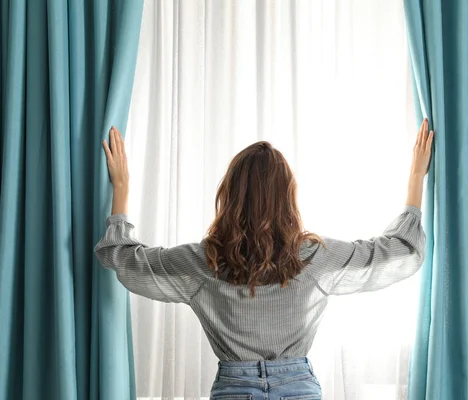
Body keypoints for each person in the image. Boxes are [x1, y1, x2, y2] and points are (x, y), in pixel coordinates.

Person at [95, 118, 434, 400]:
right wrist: (417, 177)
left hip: (234, 388)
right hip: (298, 388)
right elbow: (401, 251)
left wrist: (121, 187)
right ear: (288, 197)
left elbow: (123, 259)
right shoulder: (313, 257)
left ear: (229, 195)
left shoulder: (205, 261)